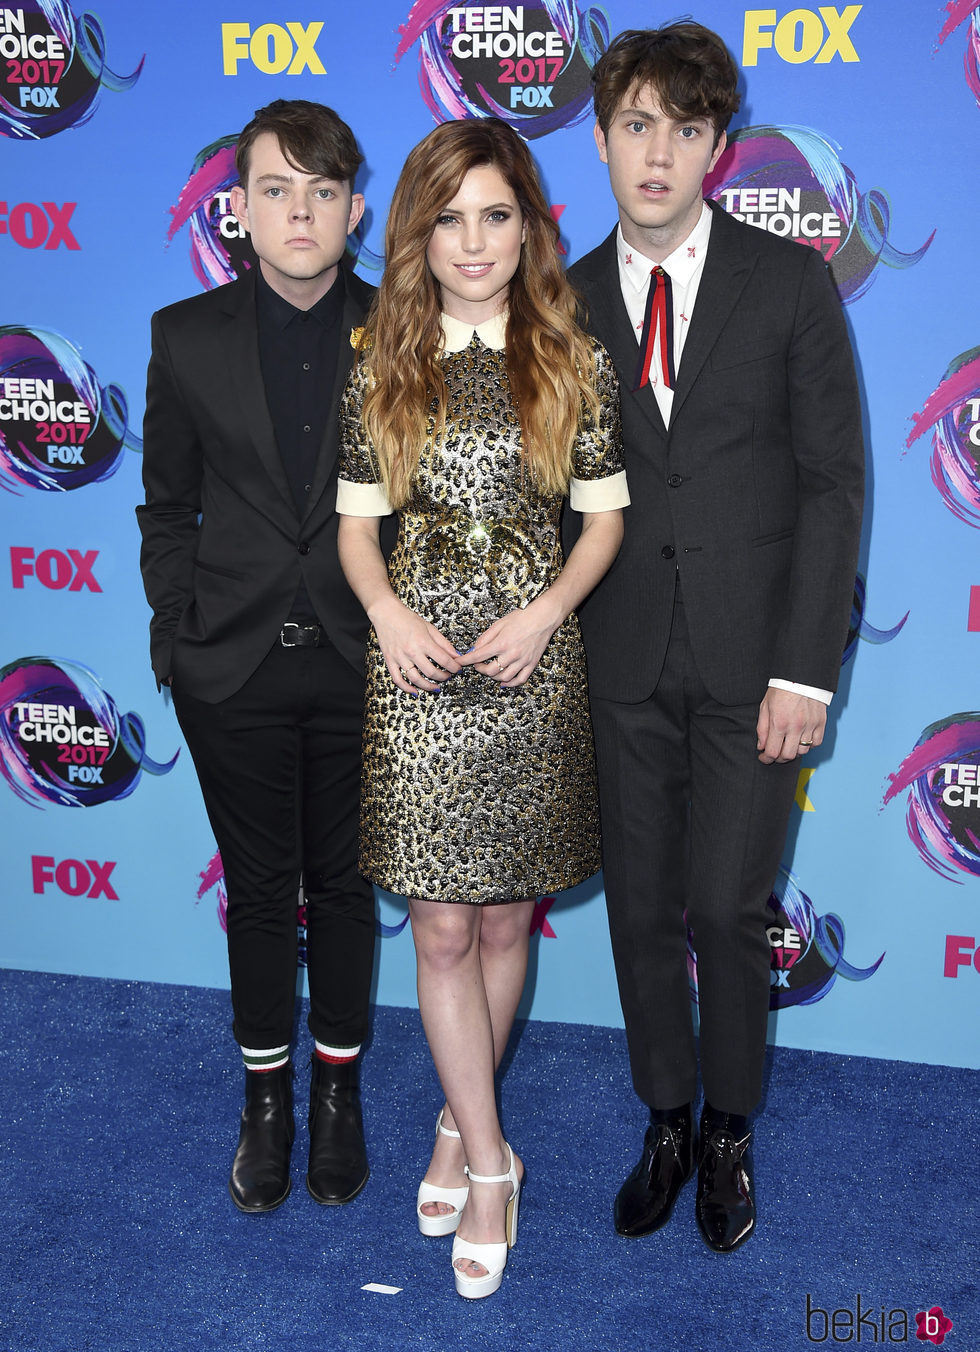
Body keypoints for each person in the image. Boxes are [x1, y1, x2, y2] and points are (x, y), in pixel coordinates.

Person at [568, 23, 864, 1252]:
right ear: (598, 139)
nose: (657, 152)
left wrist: (805, 666)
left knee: (726, 905)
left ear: (716, 148)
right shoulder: (564, 297)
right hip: (619, 658)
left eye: (682, 130)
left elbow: (832, 483)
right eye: (635, 125)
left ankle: (731, 1129)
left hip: (756, 664)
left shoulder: (786, 281)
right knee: (639, 905)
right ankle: (666, 1117)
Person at [336, 117, 627, 1298]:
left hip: (526, 666)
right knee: (443, 927)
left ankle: (462, 1121)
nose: (472, 240)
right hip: (415, 672)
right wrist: (389, 617)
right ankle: (495, 1161)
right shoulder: (381, 357)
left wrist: (546, 610)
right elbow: (358, 529)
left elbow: (602, 518)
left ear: (526, 226)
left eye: (494, 215)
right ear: (418, 229)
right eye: (448, 216)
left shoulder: (569, 354)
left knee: (508, 923)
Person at [137, 99, 380, 1214]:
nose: (299, 212)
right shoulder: (181, 336)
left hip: (361, 659)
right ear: (236, 209)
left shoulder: (404, 332)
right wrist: (175, 634)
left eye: (321, 192)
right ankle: (265, 1101)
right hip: (226, 665)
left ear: (355, 209)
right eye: (276, 190)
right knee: (256, 890)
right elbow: (166, 506)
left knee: (339, 888)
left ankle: (337, 1096)